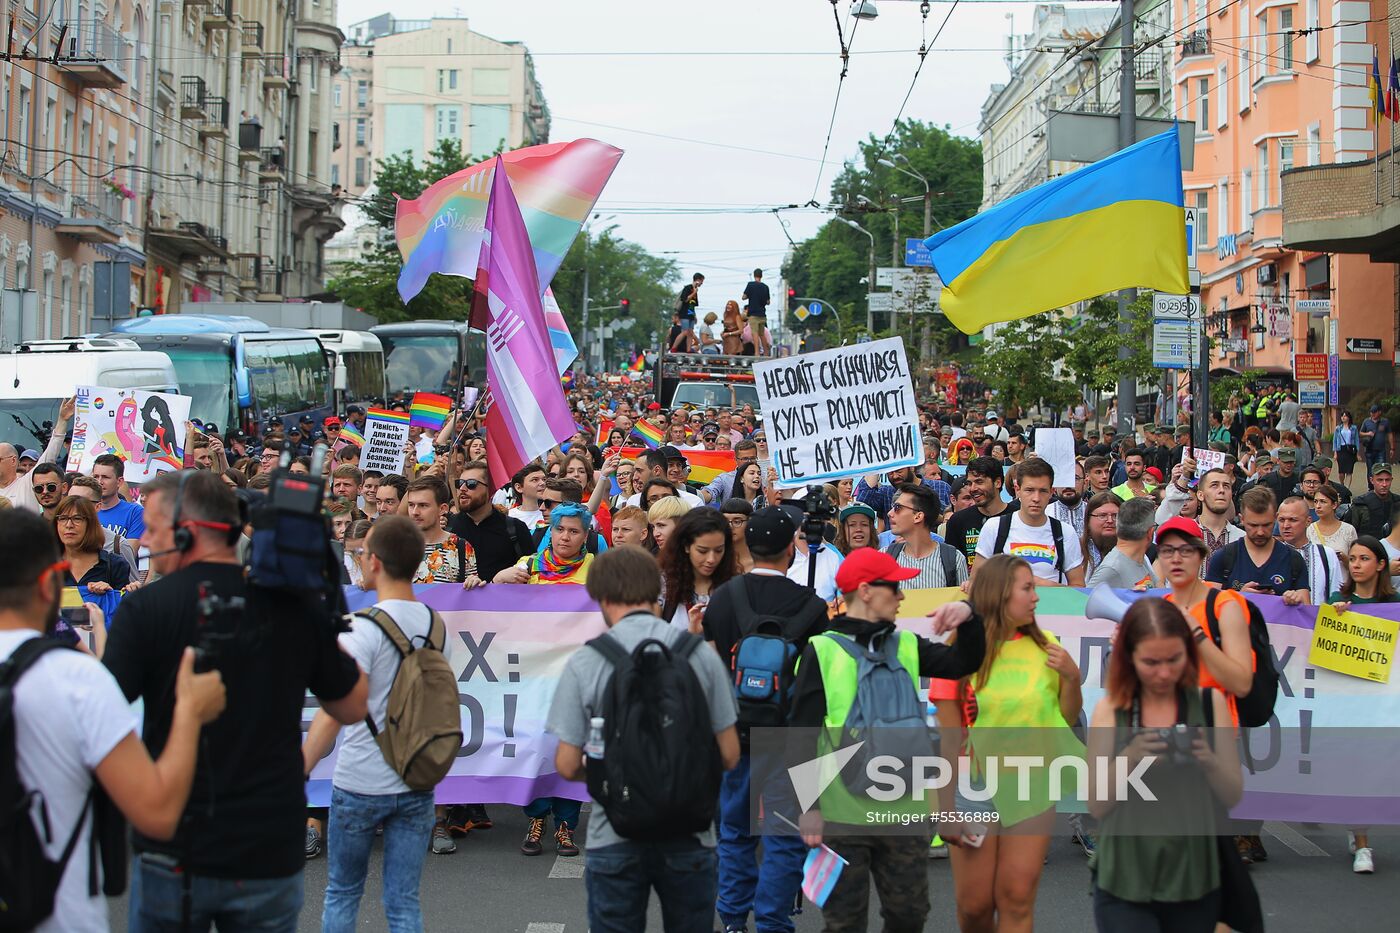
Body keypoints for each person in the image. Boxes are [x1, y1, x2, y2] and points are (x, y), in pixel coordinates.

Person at [103, 469, 368, 931]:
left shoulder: (144, 611)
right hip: (266, 842)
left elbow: (101, 718)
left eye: (153, 526)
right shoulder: (291, 606)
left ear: (188, 530)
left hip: (175, 846)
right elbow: (351, 704)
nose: (144, 539)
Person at [1, 508, 227, 932]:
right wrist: (190, 714)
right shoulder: (79, 679)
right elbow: (155, 812)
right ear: (50, 582)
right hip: (55, 914)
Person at [791, 549, 988, 933]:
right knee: (845, 923)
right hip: (840, 815)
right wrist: (808, 807)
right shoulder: (821, 650)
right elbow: (799, 734)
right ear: (865, 591)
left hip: (904, 812)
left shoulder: (907, 644)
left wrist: (970, 615)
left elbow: (965, 662)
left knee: (909, 916)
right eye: (894, 587)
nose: (902, 595)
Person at [548, 546, 739, 932]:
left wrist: (619, 770)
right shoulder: (698, 654)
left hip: (614, 832)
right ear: (657, 591)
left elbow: (567, 764)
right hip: (690, 831)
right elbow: (730, 754)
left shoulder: (587, 661)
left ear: (601, 596)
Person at [302, 516, 445, 933]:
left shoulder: (360, 628)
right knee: (403, 901)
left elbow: (336, 710)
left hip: (361, 778)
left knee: (343, 892)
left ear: (376, 562)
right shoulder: (435, 624)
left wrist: (303, 763)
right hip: (415, 777)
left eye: (363, 554)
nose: (360, 561)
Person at [926, 554, 1080, 931]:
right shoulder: (959, 650)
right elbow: (947, 739)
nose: (1036, 597)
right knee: (975, 906)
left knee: (1016, 898)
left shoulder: (1047, 646)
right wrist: (944, 808)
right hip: (971, 788)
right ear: (999, 594)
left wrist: (1072, 678)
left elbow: (1067, 719)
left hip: (1031, 783)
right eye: (1027, 588)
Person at [701, 507, 830, 933]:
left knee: (735, 833)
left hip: (732, 731)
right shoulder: (811, 606)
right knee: (783, 836)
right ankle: (774, 922)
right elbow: (815, 683)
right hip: (789, 735)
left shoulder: (723, 597)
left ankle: (734, 918)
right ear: (791, 548)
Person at [1087, 597, 1242, 931]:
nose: (1164, 673)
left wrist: (1208, 760)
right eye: (1151, 662)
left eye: (1174, 659)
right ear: (1129, 657)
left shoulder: (1208, 702)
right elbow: (1097, 804)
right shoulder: (1112, 709)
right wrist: (1132, 756)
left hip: (1192, 876)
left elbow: (1232, 795)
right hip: (1125, 878)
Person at [973, 458, 1085, 587]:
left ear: (1051, 492)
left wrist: (1039, 583)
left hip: (1050, 606)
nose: (1036, 498)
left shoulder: (1065, 532)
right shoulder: (994, 527)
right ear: (1017, 489)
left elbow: (1078, 588)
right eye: (1029, 490)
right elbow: (976, 582)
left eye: (1043, 491)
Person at [1205, 487, 1308, 605]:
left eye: (1266, 525)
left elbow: (1306, 611)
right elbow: (1209, 607)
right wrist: (1239, 596)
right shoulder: (1224, 557)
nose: (1260, 532)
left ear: (1275, 517)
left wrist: (1295, 600)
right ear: (1242, 519)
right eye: (1253, 525)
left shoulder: (1293, 559)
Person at [447, 461, 533, 582]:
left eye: (471, 484)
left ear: (491, 490)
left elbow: (531, 575)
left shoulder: (515, 528)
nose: (462, 488)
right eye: (459, 483)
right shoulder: (448, 528)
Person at [658, 509, 736, 631]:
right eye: (702, 551)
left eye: (719, 550)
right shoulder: (663, 586)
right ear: (686, 546)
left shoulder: (735, 587)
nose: (711, 559)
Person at [886, 483, 969, 587]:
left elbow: (962, 602)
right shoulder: (884, 557)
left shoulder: (954, 559)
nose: (890, 513)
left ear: (918, 516)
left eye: (897, 507)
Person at [942, 456, 1016, 570]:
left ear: (997, 482)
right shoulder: (958, 521)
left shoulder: (1018, 517)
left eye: (979, 482)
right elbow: (951, 567)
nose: (973, 488)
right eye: (969, 483)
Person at [403, 477, 481, 585]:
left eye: (423, 505)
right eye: (411, 505)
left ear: (442, 509)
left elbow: (470, 595)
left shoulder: (461, 547)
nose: (415, 512)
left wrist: (473, 583)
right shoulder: (396, 546)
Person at [55, 496, 133, 597]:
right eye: (63, 518)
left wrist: (111, 594)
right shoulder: (46, 565)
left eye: (77, 518)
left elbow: (124, 607)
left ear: (90, 524)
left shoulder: (115, 565)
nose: (69, 525)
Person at [1278, 496, 1345, 606]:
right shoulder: (1273, 555)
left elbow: (1336, 594)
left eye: (1293, 520)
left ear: (1308, 521)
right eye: (1281, 520)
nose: (1286, 525)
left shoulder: (1327, 554)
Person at [1086, 496, 1157, 589]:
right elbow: (1084, 601)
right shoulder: (1111, 568)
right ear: (1150, 532)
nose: (1110, 520)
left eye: (1114, 516)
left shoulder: (1141, 559)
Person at [90, 453, 146, 540]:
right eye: (95, 477)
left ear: (119, 481)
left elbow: (130, 551)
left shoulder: (135, 512)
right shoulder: (84, 509)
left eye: (105, 477)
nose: (99, 482)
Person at [1307, 483, 1357, 555]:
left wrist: (1343, 558)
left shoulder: (1348, 530)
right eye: (1315, 501)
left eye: (1323, 501)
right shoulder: (1310, 529)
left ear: (1334, 505)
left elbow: (1355, 560)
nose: (1318, 506)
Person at [1351, 462, 1394, 539]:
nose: (1384, 484)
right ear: (1372, 480)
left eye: (1387, 480)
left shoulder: (1397, 503)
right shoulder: (1360, 504)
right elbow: (1350, 532)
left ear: (1392, 480)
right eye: (1380, 480)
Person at [742, 268, 771, 356]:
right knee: (762, 334)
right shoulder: (766, 287)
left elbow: (744, 297)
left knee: (754, 333)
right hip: (762, 314)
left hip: (753, 314)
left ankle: (757, 352)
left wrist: (751, 296)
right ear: (761, 276)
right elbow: (768, 302)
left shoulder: (750, 285)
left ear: (754, 275)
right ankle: (766, 352)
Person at [1360, 404, 1391, 476]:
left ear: (1379, 412)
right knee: (1370, 470)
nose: (1372, 414)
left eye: (1374, 412)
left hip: (1381, 451)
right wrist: (1368, 434)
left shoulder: (1385, 422)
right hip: (1369, 450)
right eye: (1371, 412)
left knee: (1381, 469)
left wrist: (1392, 448)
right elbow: (1360, 433)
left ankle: (1379, 485)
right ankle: (1371, 486)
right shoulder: (1366, 421)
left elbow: (1390, 434)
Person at [1334, 410, 1360, 487]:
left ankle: (1347, 488)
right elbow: (1335, 440)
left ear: (1348, 417)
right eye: (1342, 416)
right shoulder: (1338, 428)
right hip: (1341, 449)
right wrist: (1335, 453)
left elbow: (1356, 440)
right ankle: (1342, 485)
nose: (1343, 417)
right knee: (1341, 471)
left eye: (1345, 416)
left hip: (1350, 450)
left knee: (1349, 471)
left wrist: (1357, 453)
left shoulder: (1354, 428)